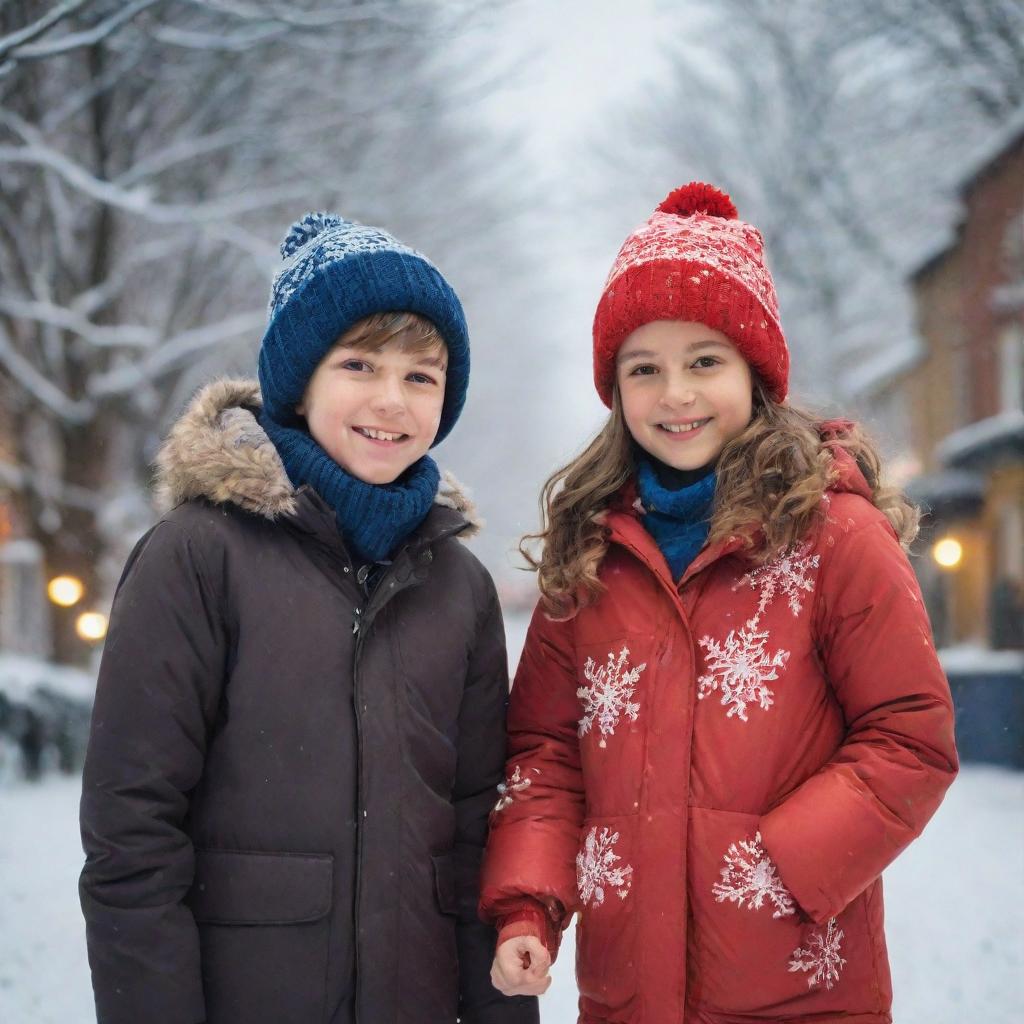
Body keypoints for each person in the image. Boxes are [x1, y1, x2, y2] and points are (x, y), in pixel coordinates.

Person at [479, 183, 958, 1023]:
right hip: (626, 993)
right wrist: (531, 904)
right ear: (615, 388)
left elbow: (911, 736)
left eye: (705, 360)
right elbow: (546, 754)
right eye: (644, 368)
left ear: (754, 373)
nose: (676, 395)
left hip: (798, 990)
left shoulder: (834, 537)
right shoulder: (590, 555)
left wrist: (778, 863)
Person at [79, 212, 538, 1024]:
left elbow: (475, 828)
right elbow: (132, 835)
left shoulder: (458, 585)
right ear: (299, 381)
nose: (391, 401)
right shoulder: (198, 556)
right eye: (359, 364)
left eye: (422, 376)